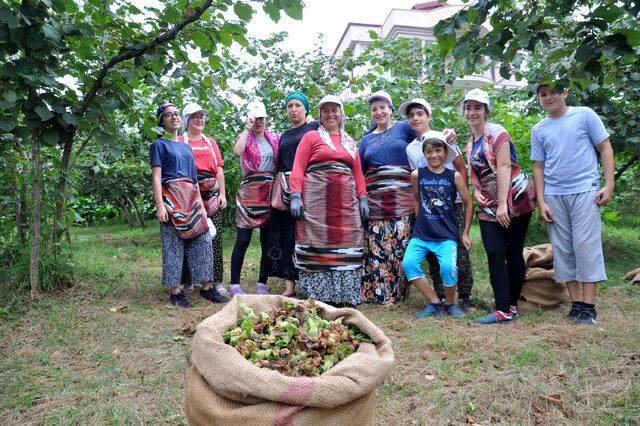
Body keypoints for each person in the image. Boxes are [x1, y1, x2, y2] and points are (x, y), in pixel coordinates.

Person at [531, 82, 614, 325]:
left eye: (553, 92)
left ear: (565, 92)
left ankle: (589, 307)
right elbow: (539, 166)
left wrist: (608, 185)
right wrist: (541, 200)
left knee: (585, 246)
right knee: (563, 249)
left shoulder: (585, 115)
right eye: (543, 94)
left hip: (584, 191)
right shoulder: (539, 129)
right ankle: (576, 304)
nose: (548, 97)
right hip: (554, 196)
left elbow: (605, 148)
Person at [462, 89, 537, 324]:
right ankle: (502, 306)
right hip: (489, 202)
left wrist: (504, 205)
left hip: (514, 196)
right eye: (468, 108)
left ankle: (509, 307)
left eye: (478, 107)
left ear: (486, 110)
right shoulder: (471, 142)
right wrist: (476, 192)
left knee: (513, 250)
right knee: (494, 251)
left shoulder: (498, 133)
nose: (473, 112)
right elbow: (474, 173)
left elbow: (504, 167)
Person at [289, 94, 369, 306]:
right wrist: (295, 195)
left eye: (335, 110)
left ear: (341, 114)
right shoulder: (311, 137)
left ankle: (345, 295)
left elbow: (358, 173)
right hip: (316, 204)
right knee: (316, 242)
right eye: (326, 110)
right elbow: (298, 167)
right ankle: (318, 295)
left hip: (346, 205)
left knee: (348, 242)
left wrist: (363, 198)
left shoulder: (350, 142)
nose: (331, 114)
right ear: (320, 115)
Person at [401, 97, 475, 312]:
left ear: (428, 116)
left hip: (452, 204)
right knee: (433, 257)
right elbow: (417, 190)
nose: (415, 118)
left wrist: (459, 198)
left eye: (420, 114)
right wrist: (420, 216)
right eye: (411, 115)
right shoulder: (411, 149)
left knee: (457, 253)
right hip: (428, 213)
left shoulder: (446, 139)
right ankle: (439, 298)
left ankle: (464, 297)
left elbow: (461, 168)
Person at [149, 102, 217, 308]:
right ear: (161, 120)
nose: (174, 117)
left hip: (191, 197)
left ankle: (206, 287)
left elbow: (194, 179)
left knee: (203, 239)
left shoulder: (186, 146)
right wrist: (160, 204)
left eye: (176, 114)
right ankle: (175, 291)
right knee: (173, 244)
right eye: (168, 115)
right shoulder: (158, 145)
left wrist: (202, 209)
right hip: (171, 196)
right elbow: (156, 176)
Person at [358, 91, 416, 305]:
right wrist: (361, 198)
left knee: (399, 246)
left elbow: (425, 140)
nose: (379, 112)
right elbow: (360, 172)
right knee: (376, 247)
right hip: (375, 203)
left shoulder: (404, 128)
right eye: (374, 109)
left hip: (402, 200)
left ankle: (396, 293)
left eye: (383, 107)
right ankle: (376, 293)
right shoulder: (366, 140)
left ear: (390, 109)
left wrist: (447, 136)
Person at [265, 92, 318, 297]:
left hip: (308, 185)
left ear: (306, 109)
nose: (293, 109)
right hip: (284, 188)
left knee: (305, 233)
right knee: (283, 235)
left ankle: (309, 279)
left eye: (297, 105)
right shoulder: (285, 135)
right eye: (289, 106)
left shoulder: (314, 129)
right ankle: (289, 285)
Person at [177, 103, 230, 302]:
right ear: (187, 120)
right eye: (195, 117)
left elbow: (219, 170)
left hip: (212, 195)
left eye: (202, 116)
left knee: (215, 238)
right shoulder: (180, 141)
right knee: (188, 236)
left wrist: (222, 194)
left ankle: (215, 281)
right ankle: (188, 279)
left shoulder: (211, 142)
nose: (200, 120)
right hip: (188, 196)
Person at [230, 100, 280, 296]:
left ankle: (262, 282)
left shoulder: (274, 139)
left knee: (266, 241)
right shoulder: (244, 137)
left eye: (261, 118)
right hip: (249, 193)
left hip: (268, 193)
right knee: (243, 239)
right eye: (254, 118)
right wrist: (246, 128)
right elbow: (237, 151)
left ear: (266, 118)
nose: (258, 122)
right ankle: (234, 284)